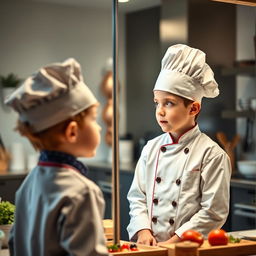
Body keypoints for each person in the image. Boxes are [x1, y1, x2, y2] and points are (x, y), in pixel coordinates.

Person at [127, 44, 231, 246]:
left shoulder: (212, 155)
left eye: (169, 103)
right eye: (157, 102)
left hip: (188, 248)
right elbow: (137, 196)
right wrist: (142, 230)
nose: (160, 111)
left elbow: (213, 211)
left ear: (193, 108)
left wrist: (177, 241)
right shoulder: (151, 148)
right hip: (149, 247)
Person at [5, 58, 109, 256]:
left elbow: (14, 244)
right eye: (93, 119)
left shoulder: (30, 182)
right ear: (72, 132)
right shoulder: (82, 192)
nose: (99, 127)